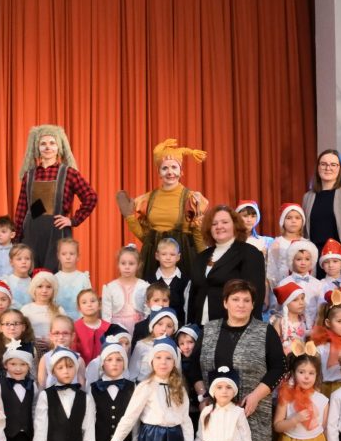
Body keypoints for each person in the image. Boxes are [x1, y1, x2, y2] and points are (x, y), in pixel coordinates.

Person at [192, 279, 286, 441]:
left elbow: (279, 367)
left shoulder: (265, 331)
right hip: (216, 411)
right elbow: (193, 366)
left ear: (253, 304)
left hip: (251, 409)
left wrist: (256, 396)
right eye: (235, 299)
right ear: (225, 303)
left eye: (246, 300)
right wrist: (203, 395)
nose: (241, 305)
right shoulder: (210, 329)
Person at [117, 138, 209, 279]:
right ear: (159, 172)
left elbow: (197, 234)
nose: (170, 172)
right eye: (165, 168)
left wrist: (204, 262)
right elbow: (146, 237)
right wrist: (130, 218)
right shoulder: (148, 199)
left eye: (174, 167)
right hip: (153, 259)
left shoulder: (191, 198)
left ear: (181, 171)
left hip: (183, 258)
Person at [13, 124, 98, 271]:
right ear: (37, 148)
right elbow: (21, 210)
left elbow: (91, 197)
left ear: (59, 147)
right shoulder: (29, 175)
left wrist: (73, 220)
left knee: (55, 277)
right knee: (31, 277)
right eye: (43, 144)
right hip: (31, 236)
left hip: (57, 236)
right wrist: (17, 240)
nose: (48, 147)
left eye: (52, 143)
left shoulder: (69, 173)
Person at [188, 206, 267, 324]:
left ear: (235, 225)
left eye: (225, 222)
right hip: (200, 327)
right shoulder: (201, 257)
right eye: (214, 224)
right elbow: (193, 295)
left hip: (234, 327)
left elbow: (256, 295)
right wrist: (191, 327)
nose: (219, 226)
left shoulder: (250, 254)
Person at [301, 149, 341, 270]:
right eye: (323, 164)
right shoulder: (308, 197)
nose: (328, 168)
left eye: (333, 164)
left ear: (339, 168)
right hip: (315, 260)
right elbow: (305, 232)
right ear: (318, 167)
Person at [265, 203, 306, 308]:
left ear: (302, 221)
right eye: (289, 218)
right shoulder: (277, 243)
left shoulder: (306, 243)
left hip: (304, 290)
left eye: (297, 218)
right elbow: (271, 271)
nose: (293, 221)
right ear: (283, 221)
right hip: (282, 289)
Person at [101, 246, 150, 332]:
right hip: (117, 330)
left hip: (139, 329)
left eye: (131, 263)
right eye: (123, 263)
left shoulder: (144, 286)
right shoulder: (110, 288)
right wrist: (109, 332)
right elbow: (106, 315)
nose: (127, 267)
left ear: (138, 265)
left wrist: (146, 330)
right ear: (118, 265)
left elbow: (148, 311)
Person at [53, 238, 92, 319]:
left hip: (80, 320)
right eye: (64, 254)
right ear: (58, 256)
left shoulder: (83, 278)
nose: (68, 257)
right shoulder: (54, 278)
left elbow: (89, 299)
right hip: (60, 320)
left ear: (78, 256)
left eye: (72, 254)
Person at [2, 244, 34, 309]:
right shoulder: (6, 282)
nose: (24, 262)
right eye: (19, 259)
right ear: (11, 262)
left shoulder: (34, 283)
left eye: (27, 259)